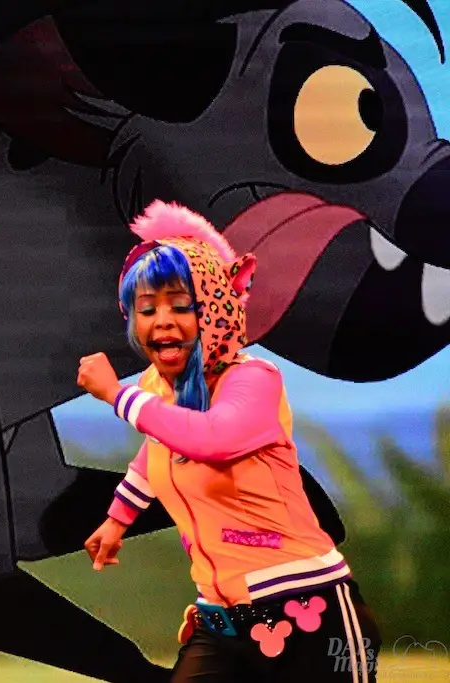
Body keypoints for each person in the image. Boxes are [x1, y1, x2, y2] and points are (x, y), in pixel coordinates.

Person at [76, 200, 381, 682]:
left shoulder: (254, 380)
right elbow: (161, 447)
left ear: (214, 307)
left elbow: (211, 439)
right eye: (147, 308)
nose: (162, 320)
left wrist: (117, 395)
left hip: (310, 611)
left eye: (181, 305)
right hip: (221, 624)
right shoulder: (160, 389)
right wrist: (118, 519)